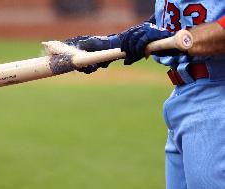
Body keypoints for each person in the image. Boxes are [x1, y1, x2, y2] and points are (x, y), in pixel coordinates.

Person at [66, 1, 225, 189]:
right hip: (185, 98)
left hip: (216, 96)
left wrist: (178, 40)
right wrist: (112, 44)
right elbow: (174, 19)